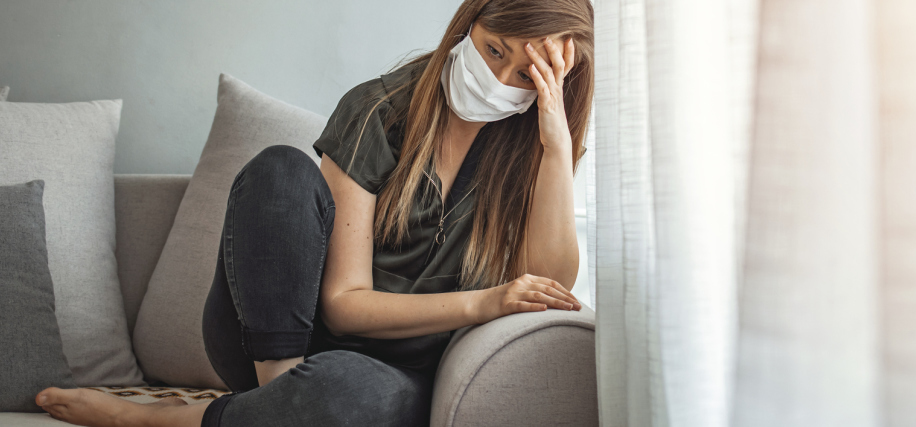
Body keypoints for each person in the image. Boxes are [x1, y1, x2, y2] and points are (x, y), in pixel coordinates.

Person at [32, 0, 594, 425]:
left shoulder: (534, 152)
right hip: (276, 343)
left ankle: (169, 418)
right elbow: (343, 307)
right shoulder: (378, 109)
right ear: (470, 22)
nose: (499, 79)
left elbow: (547, 285)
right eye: (495, 50)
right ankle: (277, 404)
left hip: (388, 379)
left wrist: (555, 145)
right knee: (280, 167)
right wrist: (483, 302)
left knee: (346, 391)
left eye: (527, 74)